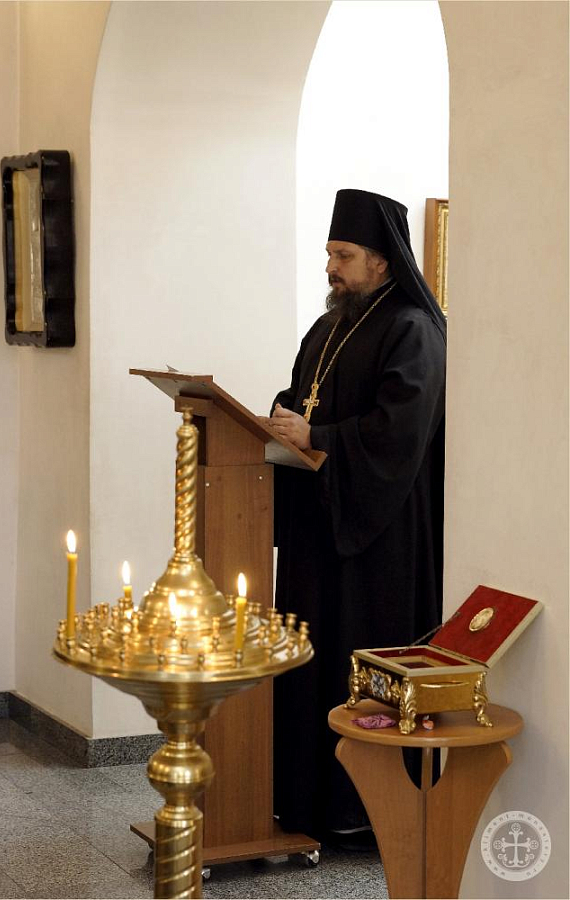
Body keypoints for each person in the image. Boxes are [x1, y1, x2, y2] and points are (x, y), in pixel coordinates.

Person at [267, 189, 446, 843]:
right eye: (329, 254)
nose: (330, 268)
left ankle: (363, 817)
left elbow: (399, 431)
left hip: (380, 542)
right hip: (321, 531)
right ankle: (305, 803)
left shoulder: (414, 329)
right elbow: (301, 398)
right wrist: (281, 421)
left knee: (361, 666)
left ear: (381, 259)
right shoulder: (328, 328)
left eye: (343, 255)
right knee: (313, 666)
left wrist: (317, 437)